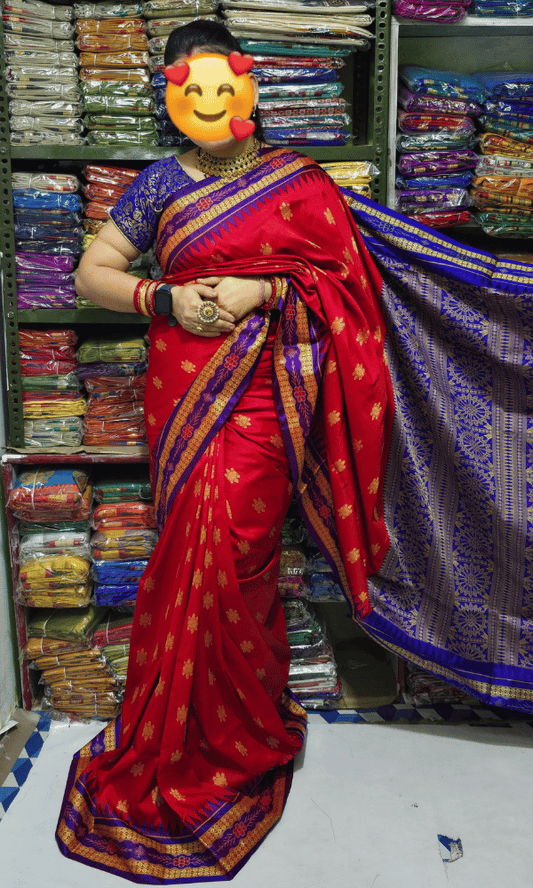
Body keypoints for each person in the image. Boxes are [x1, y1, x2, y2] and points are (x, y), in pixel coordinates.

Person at [56, 19, 393, 883]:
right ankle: (169, 732)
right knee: (185, 556)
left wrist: (262, 287)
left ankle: (241, 732)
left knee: (238, 557)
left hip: (260, 400)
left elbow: (345, 288)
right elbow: (90, 270)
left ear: (244, 88)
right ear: (172, 93)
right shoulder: (156, 184)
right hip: (182, 395)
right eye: (184, 84)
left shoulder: (296, 182)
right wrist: (160, 302)